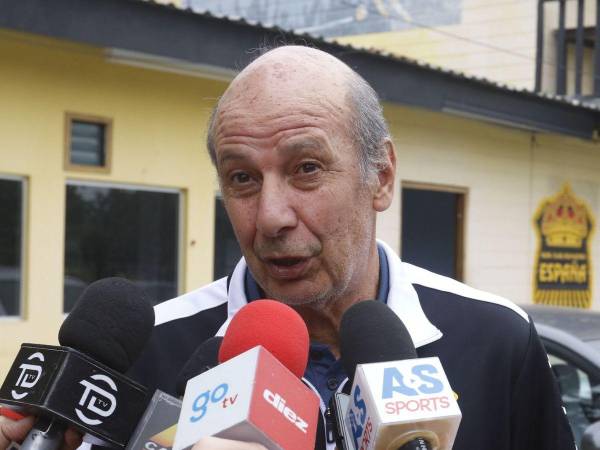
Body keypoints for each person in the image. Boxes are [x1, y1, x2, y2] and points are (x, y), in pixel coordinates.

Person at [129, 45, 575, 449]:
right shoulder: (153, 349)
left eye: (307, 168)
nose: (270, 217)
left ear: (381, 176)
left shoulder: (498, 340)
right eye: (242, 178)